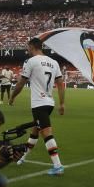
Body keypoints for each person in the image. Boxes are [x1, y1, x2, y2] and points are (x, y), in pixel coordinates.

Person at [9, 37, 65, 176]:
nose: (27, 50)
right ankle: (23, 157)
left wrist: (12, 97)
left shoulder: (31, 61)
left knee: (46, 133)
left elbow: (21, 83)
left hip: (39, 103)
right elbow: (60, 84)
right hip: (49, 103)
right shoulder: (54, 62)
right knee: (35, 131)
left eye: (28, 47)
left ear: (32, 47)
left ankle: (58, 166)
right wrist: (62, 103)